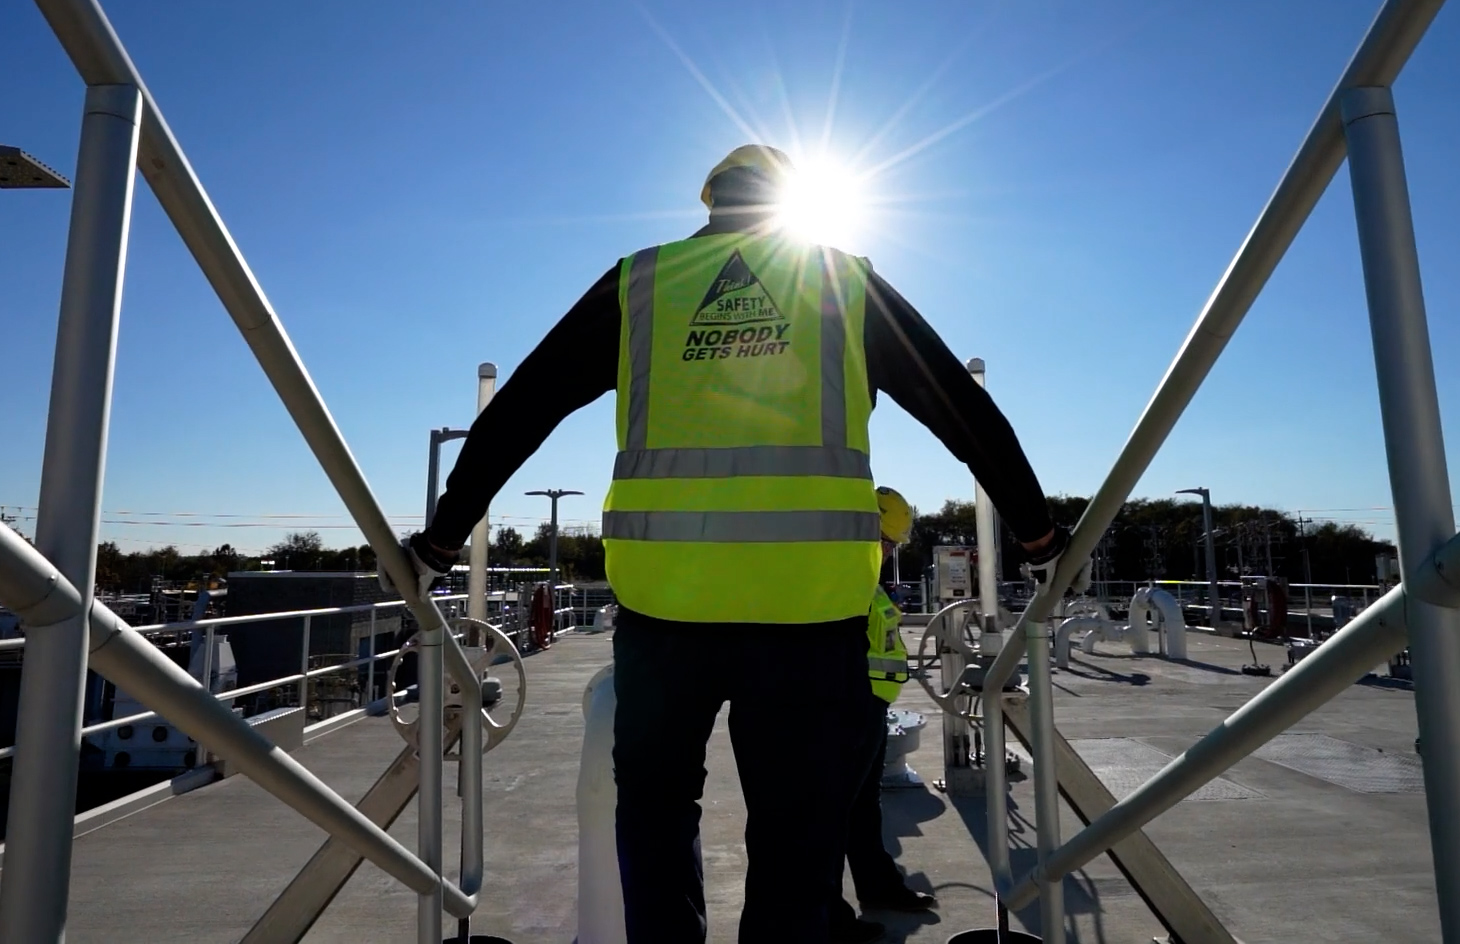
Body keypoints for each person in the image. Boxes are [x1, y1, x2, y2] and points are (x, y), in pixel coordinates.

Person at [406, 144, 1072, 943]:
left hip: (665, 612)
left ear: (709, 202)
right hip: (810, 616)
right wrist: (1036, 534)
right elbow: (962, 412)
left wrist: (442, 540)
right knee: (797, 844)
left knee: (655, 820)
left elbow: (522, 408)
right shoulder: (841, 283)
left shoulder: (642, 284)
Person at [832, 487, 935, 944]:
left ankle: (878, 887)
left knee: (861, 807)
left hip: (868, 705)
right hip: (846, 703)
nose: (888, 551)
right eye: (886, 541)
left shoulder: (861, 578)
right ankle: (828, 917)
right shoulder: (839, 579)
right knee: (832, 812)